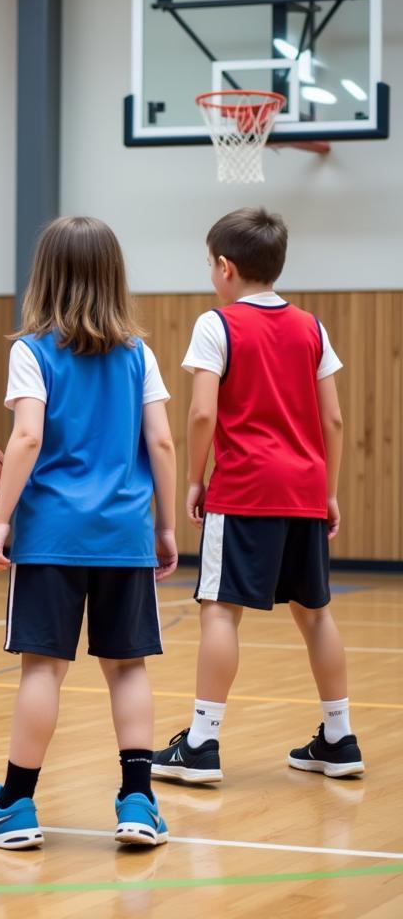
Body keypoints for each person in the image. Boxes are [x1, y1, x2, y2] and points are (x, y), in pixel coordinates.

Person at [0, 216, 178, 851]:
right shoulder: (140, 354)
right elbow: (159, 439)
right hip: (125, 533)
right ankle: (139, 801)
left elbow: (26, 436)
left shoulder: (33, 350)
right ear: (115, 275)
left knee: (43, 668)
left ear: (42, 274)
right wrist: (164, 524)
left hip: (50, 535)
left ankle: (14, 805)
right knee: (127, 668)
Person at [152, 207, 363, 784]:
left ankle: (201, 744)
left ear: (224, 267)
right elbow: (335, 420)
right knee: (315, 614)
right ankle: (340, 739)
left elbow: (200, 412)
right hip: (304, 490)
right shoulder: (312, 327)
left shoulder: (216, 324)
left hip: (244, 489)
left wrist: (196, 478)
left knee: (220, 609)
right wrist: (329, 491)